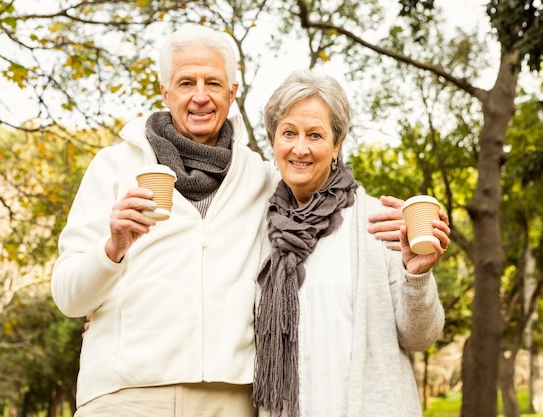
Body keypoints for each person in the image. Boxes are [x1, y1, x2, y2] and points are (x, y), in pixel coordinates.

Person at [52, 25, 404, 416]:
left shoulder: (262, 178)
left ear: (232, 92)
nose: (200, 96)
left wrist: (407, 217)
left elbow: (324, 196)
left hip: (230, 400)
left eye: (213, 83)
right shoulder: (114, 167)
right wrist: (111, 249)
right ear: (165, 91)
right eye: (187, 82)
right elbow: (70, 297)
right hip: (126, 396)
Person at [251, 69, 450, 417]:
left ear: (337, 143)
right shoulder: (260, 229)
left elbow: (421, 338)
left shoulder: (381, 223)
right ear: (273, 140)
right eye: (288, 133)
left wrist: (417, 277)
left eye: (315, 134)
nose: (300, 148)